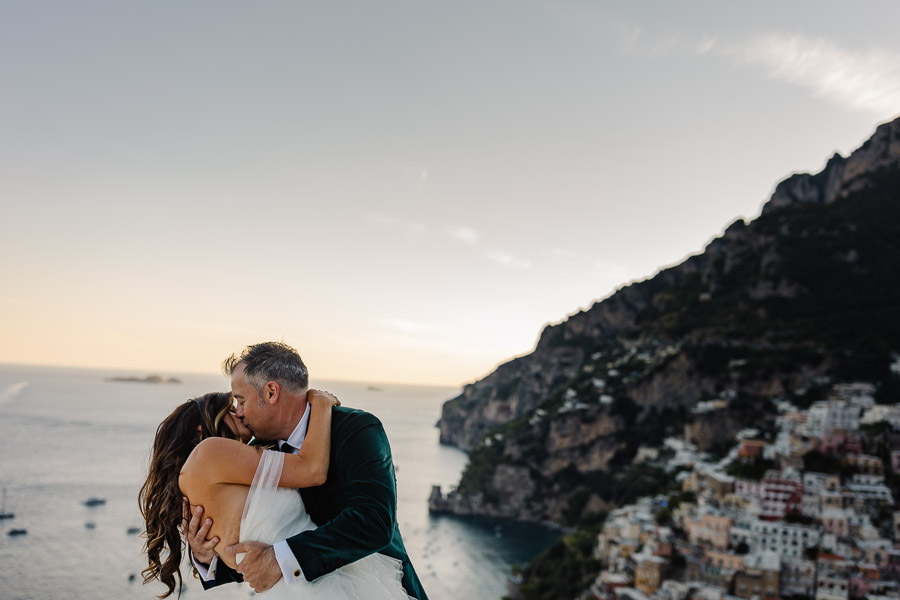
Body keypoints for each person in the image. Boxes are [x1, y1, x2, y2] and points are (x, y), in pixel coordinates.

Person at [184, 342, 428, 599]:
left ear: (270, 392)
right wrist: (207, 557)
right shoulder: (256, 454)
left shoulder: (355, 428)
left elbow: (374, 522)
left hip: (382, 588)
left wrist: (281, 559)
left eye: (241, 400)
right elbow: (258, 539)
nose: (239, 412)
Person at [140, 388, 413, 599]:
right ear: (202, 430)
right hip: (314, 589)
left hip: (315, 582)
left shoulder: (237, 467)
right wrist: (320, 403)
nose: (240, 412)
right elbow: (311, 471)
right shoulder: (211, 454)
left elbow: (246, 543)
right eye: (231, 408)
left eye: (240, 403)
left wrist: (205, 557)